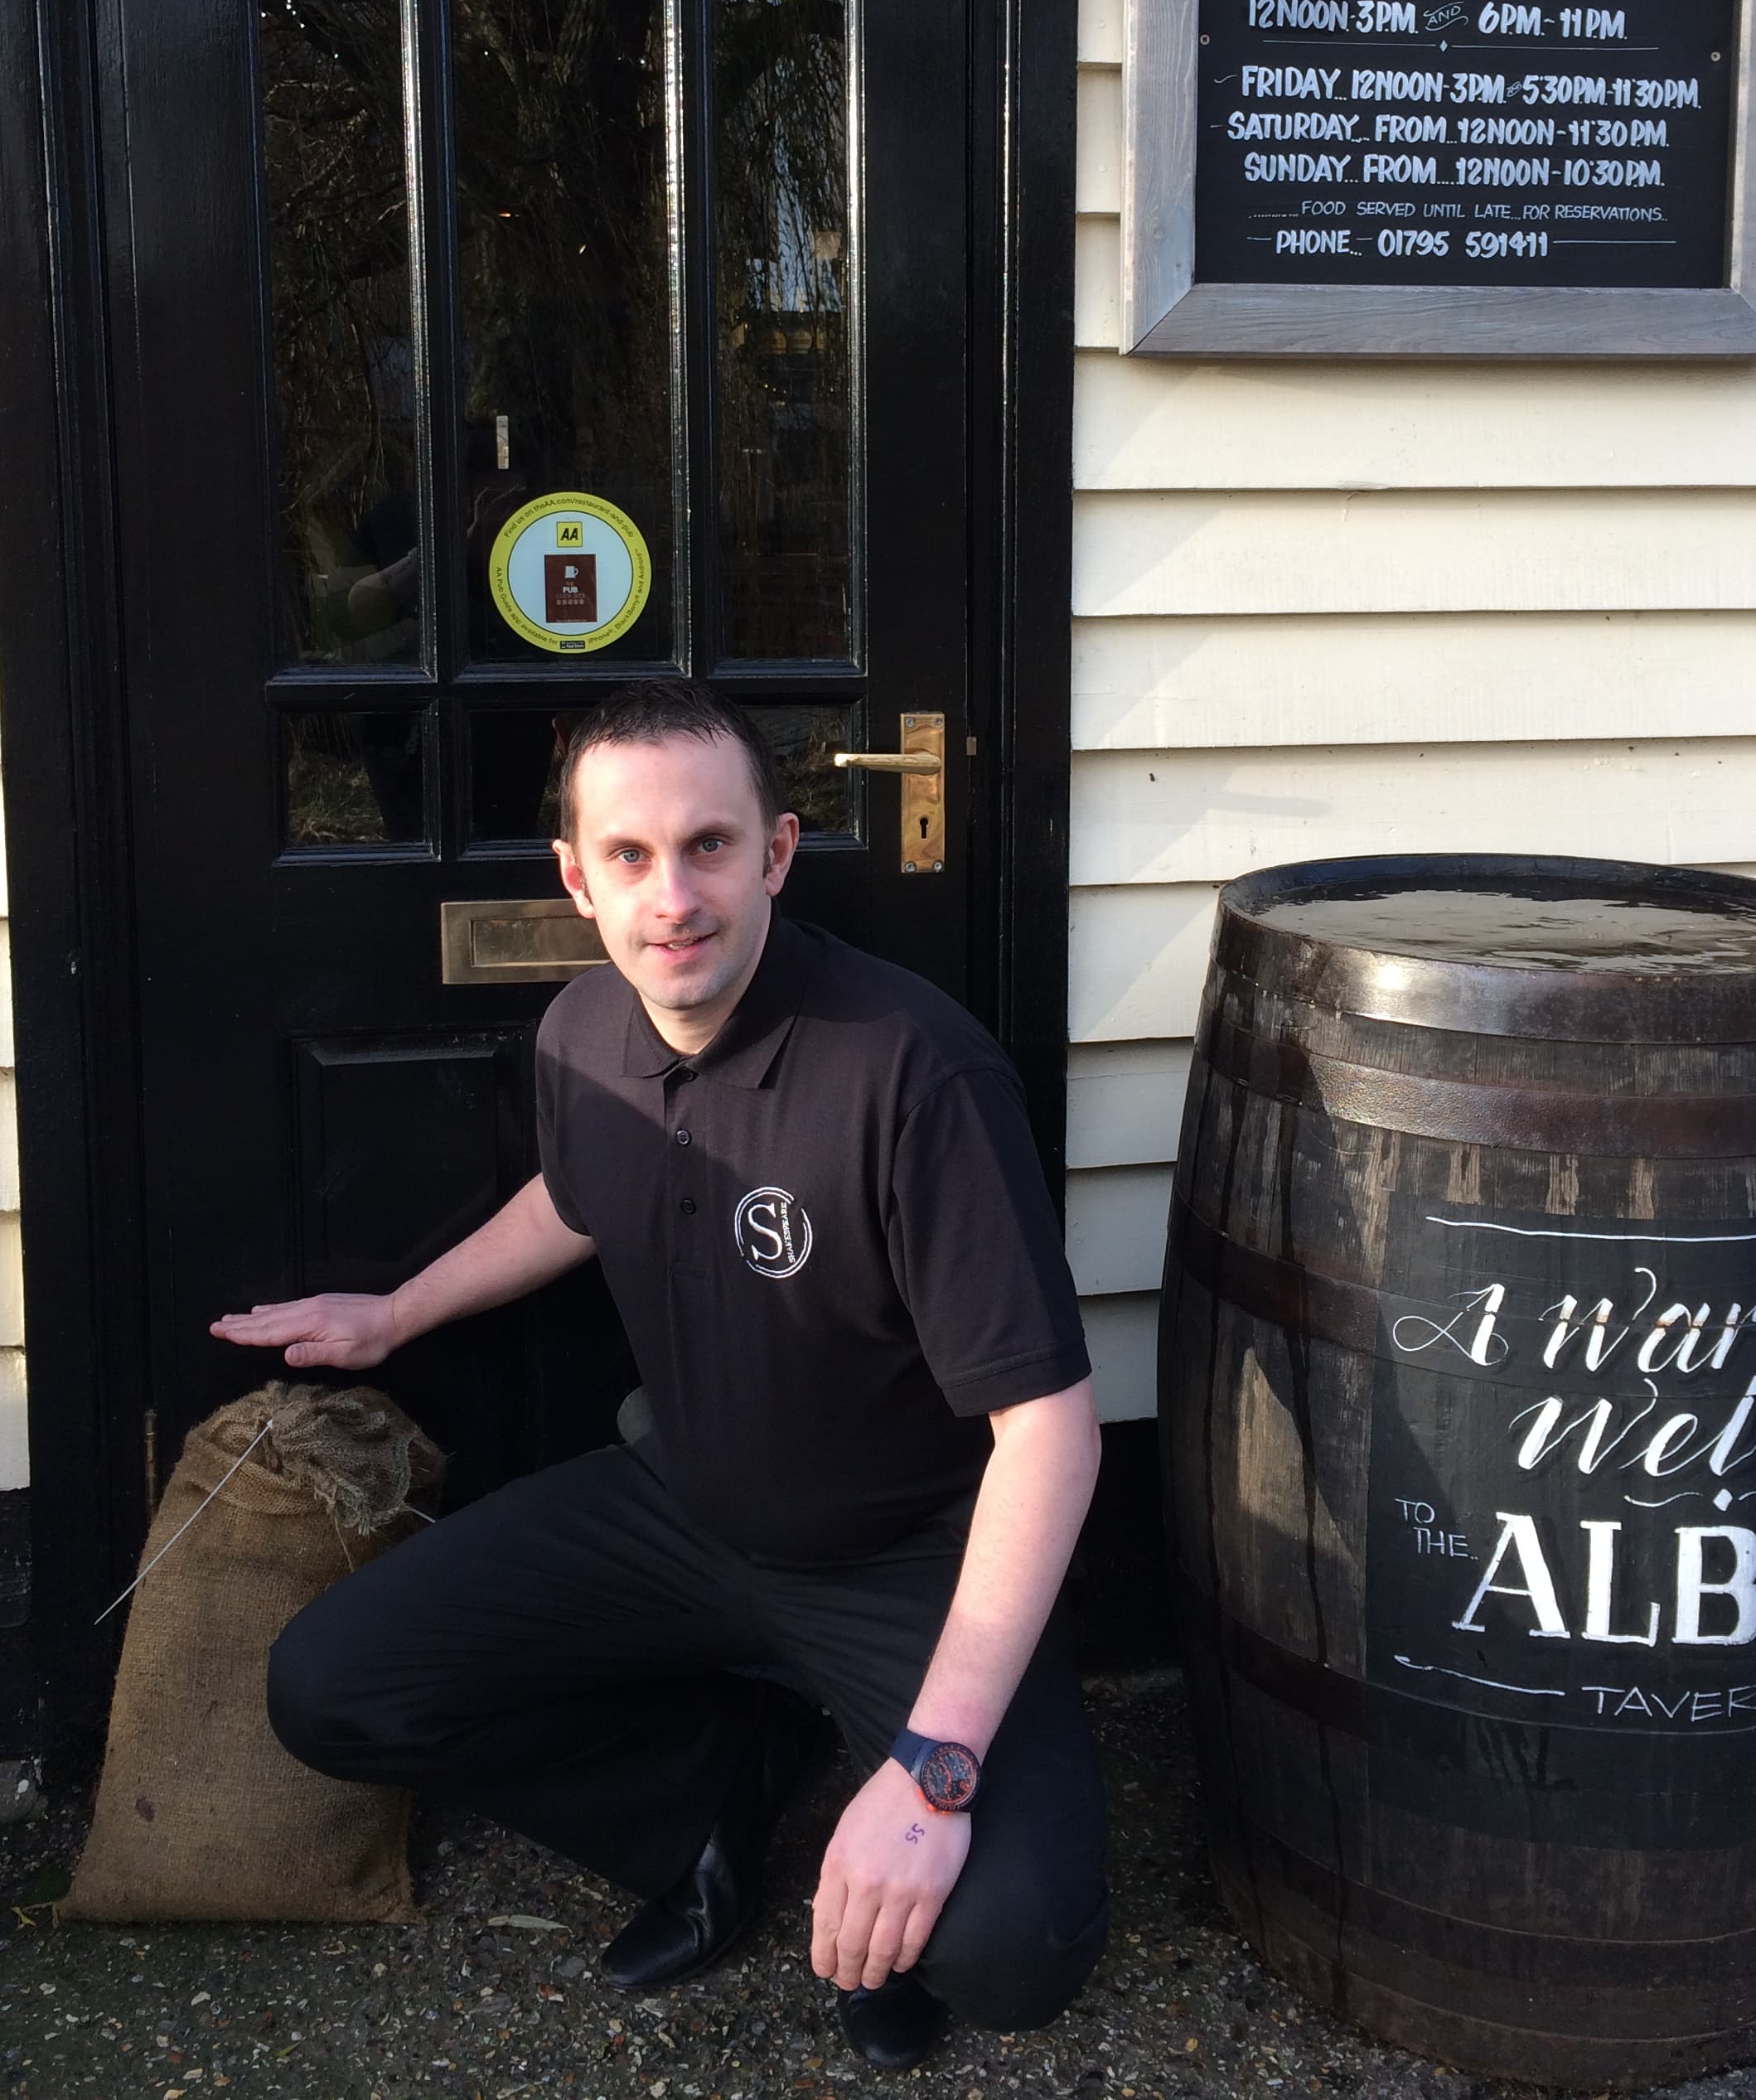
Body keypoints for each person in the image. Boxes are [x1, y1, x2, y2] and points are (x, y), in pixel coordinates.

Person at [213, 679, 1108, 2073]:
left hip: (904, 1558)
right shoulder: (585, 1033)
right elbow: (576, 1198)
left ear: (779, 854)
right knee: (332, 1688)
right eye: (629, 857)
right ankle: (710, 1795)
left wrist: (934, 1773)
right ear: (577, 879)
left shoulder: (914, 1074)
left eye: (709, 846)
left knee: (1011, 1952)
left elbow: (1050, 1433)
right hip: (678, 1509)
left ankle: (888, 1874)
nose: (672, 895)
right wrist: (396, 1313)